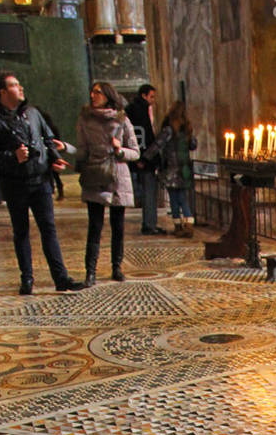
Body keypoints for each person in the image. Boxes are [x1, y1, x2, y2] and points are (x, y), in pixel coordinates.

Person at [0, 70, 84, 294]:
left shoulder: (33, 113)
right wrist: (12, 157)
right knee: (21, 231)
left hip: (40, 181)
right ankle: (27, 279)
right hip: (14, 184)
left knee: (49, 229)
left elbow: (48, 139)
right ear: (2, 92)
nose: (21, 88)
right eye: (15, 85)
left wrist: (54, 159)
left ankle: (61, 278)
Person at [75, 80, 140, 287]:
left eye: (98, 92)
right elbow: (82, 150)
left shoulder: (122, 120)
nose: (93, 95)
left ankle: (116, 267)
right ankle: (90, 272)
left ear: (108, 96)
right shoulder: (85, 120)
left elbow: (135, 151)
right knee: (95, 225)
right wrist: (70, 152)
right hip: (96, 175)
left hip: (118, 176)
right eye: (92, 92)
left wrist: (120, 150)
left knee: (118, 226)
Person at [150, 101, 197, 236]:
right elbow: (193, 145)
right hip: (184, 167)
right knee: (182, 197)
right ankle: (187, 223)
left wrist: (145, 158)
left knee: (174, 197)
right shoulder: (187, 129)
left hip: (171, 167)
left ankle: (180, 226)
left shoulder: (168, 129)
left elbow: (158, 144)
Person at [126, 82, 165, 234]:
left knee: (149, 192)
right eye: (152, 96)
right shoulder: (139, 111)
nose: (154, 100)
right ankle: (149, 224)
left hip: (141, 157)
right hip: (145, 159)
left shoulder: (135, 110)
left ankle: (150, 223)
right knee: (149, 192)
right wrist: (143, 158)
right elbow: (143, 136)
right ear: (144, 95)